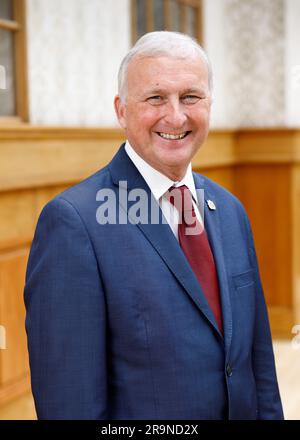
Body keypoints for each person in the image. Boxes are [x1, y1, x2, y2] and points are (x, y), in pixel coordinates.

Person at [24, 31, 284, 420]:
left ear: (210, 104)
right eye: (155, 98)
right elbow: (69, 401)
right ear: (122, 110)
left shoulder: (229, 211)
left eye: (191, 97)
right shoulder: (74, 223)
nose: (176, 116)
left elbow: (257, 366)